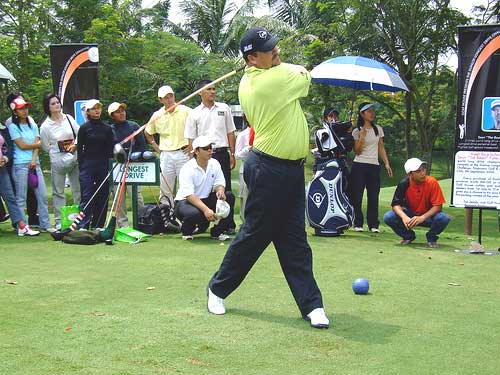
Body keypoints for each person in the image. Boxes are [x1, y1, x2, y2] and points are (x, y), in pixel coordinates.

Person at [207, 27, 329, 329]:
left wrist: (269, 61)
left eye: (275, 46)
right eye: (269, 49)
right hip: (268, 169)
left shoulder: (265, 74)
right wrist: (281, 66)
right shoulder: (267, 83)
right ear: (251, 57)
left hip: (290, 169)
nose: (276, 52)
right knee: (254, 236)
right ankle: (217, 289)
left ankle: (312, 305)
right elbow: (304, 74)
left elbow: (292, 71)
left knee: (294, 239)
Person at [184, 79, 237, 234]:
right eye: (209, 89)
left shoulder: (224, 108)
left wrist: (232, 153)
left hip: (221, 152)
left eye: (214, 89)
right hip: (202, 155)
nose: (213, 92)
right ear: (200, 92)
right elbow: (191, 139)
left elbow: (230, 132)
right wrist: (192, 158)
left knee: (224, 190)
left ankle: (227, 224)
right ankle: (201, 221)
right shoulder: (194, 113)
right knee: (202, 190)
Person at [174, 135, 235, 241]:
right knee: (194, 214)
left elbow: (219, 182)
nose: (210, 151)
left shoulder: (214, 163)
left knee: (229, 197)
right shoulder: (187, 168)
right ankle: (187, 230)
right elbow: (189, 195)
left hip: (204, 199)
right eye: (206, 148)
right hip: (184, 203)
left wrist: (220, 191)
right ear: (196, 151)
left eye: (211, 147)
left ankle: (217, 232)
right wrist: (206, 210)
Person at [383, 158, 450, 248]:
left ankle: (431, 238)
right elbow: (395, 205)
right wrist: (404, 217)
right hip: (410, 216)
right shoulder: (404, 183)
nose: (423, 173)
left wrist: (422, 217)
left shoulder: (432, 182)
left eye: (423, 169)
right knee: (388, 217)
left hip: (428, 216)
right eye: (418, 171)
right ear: (410, 174)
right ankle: (408, 236)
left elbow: (438, 206)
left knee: (443, 218)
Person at [7, 97, 52, 231]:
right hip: (20, 164)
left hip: (34, 163)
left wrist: (34, 158)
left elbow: (38, 143)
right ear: (15, 112)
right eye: (21, 109)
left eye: (25, 108)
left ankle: (46, 225)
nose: (25, 111)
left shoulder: (32, 123)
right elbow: (22, 145)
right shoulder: (13, 126)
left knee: (42, 196)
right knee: (21, 197)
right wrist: (36, 145)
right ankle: (23, 226)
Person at [40, 93, 81, 230]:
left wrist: (74, 145)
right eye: (53, 103)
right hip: (57, 160)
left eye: (57, 102)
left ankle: (80, 218)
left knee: (78, 189)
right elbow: (46, 146)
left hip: (74, 157)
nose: (56, 105)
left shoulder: (68, 118)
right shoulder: (45, 126)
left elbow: (79, 134)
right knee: (58, 191)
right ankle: (59, 221)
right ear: (48, 107)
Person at [145, 85, 191, 205]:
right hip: (166, 155)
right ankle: (166, 219)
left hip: (184, 153)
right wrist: (157, 148)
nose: (169, 99)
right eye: (166, 97)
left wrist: (192, 145)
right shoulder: (157, 115)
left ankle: (185, 217)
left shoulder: (186, 111)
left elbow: (197, 127)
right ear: (161, 100)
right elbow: (148, 132)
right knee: (165, 188)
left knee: (186, 186)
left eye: (171, 96)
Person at [350, 102, 393, 233]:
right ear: (362, 114)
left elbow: (381, 147)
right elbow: (356, 151)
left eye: (372, 111)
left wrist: (386, 163)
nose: (372, 113)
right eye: (368, 111)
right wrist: (361, 137)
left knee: (373, 196)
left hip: (374, 166)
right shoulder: (357, 131)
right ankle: (358, 223)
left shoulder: (378, 129)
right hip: (359, 165)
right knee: (357, 196)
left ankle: (373, 224)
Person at [77, 99, 114, 229]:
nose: (97, 110)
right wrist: (82, 166)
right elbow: (80, 149)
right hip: (87, 165)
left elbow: (110, 150)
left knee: (103, 194)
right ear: (88, 111)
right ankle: (84, 224)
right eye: (94, 108)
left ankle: (98, 224)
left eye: (98, 107)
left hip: (103, 165)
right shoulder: (84, 128)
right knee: (87, 194)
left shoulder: (107, 128)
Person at [108, 102, 146, 227]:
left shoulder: (133, 126)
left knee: (136, 196)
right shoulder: (110, 130)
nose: (122, 113)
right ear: (112, 115)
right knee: (119, 198)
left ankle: (142, 221)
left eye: (122, 110)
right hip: (117, 167)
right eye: (118, 112)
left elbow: (141, 145)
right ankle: (123, 225)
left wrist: (135, 155)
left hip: (133, 166)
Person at [5, 93, 39, 226]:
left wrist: (34, 157)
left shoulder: (30, 120)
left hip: (31, 161)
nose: (24, 108)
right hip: (15, 161)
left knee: (33, 191)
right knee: (18, 194)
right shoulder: (10, 123)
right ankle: (19, 223)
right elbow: (17, 144)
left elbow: (37, 139)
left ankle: (33, 218)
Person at [0, 121, 39, 236]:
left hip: (2, 168)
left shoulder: (2, 127)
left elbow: (8, 147)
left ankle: (22, 226)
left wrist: (5, 159)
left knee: (10, 197)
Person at [234, 118, 253, 221]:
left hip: (262, 169)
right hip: (246, 168)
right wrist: (247, 149)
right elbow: (237, 155)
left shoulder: (263, 134)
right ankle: (245, 221)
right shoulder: (243, 135)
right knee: (245, 197)